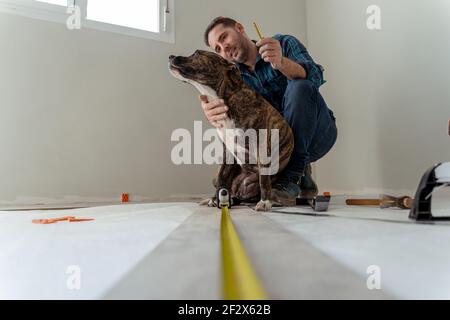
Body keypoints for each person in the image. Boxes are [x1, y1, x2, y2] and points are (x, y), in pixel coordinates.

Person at [200, 16, 337, 201]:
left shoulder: (283, 43)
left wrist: (281, 63)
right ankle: (300, 177)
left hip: (318, 135)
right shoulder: (233, 78)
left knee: (300, 86)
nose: (224, 48)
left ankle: (293, 176)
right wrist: (212, 113)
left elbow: (316, 77)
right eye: (217, 48)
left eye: (224, 37)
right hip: (278, 148)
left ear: (239, 28)